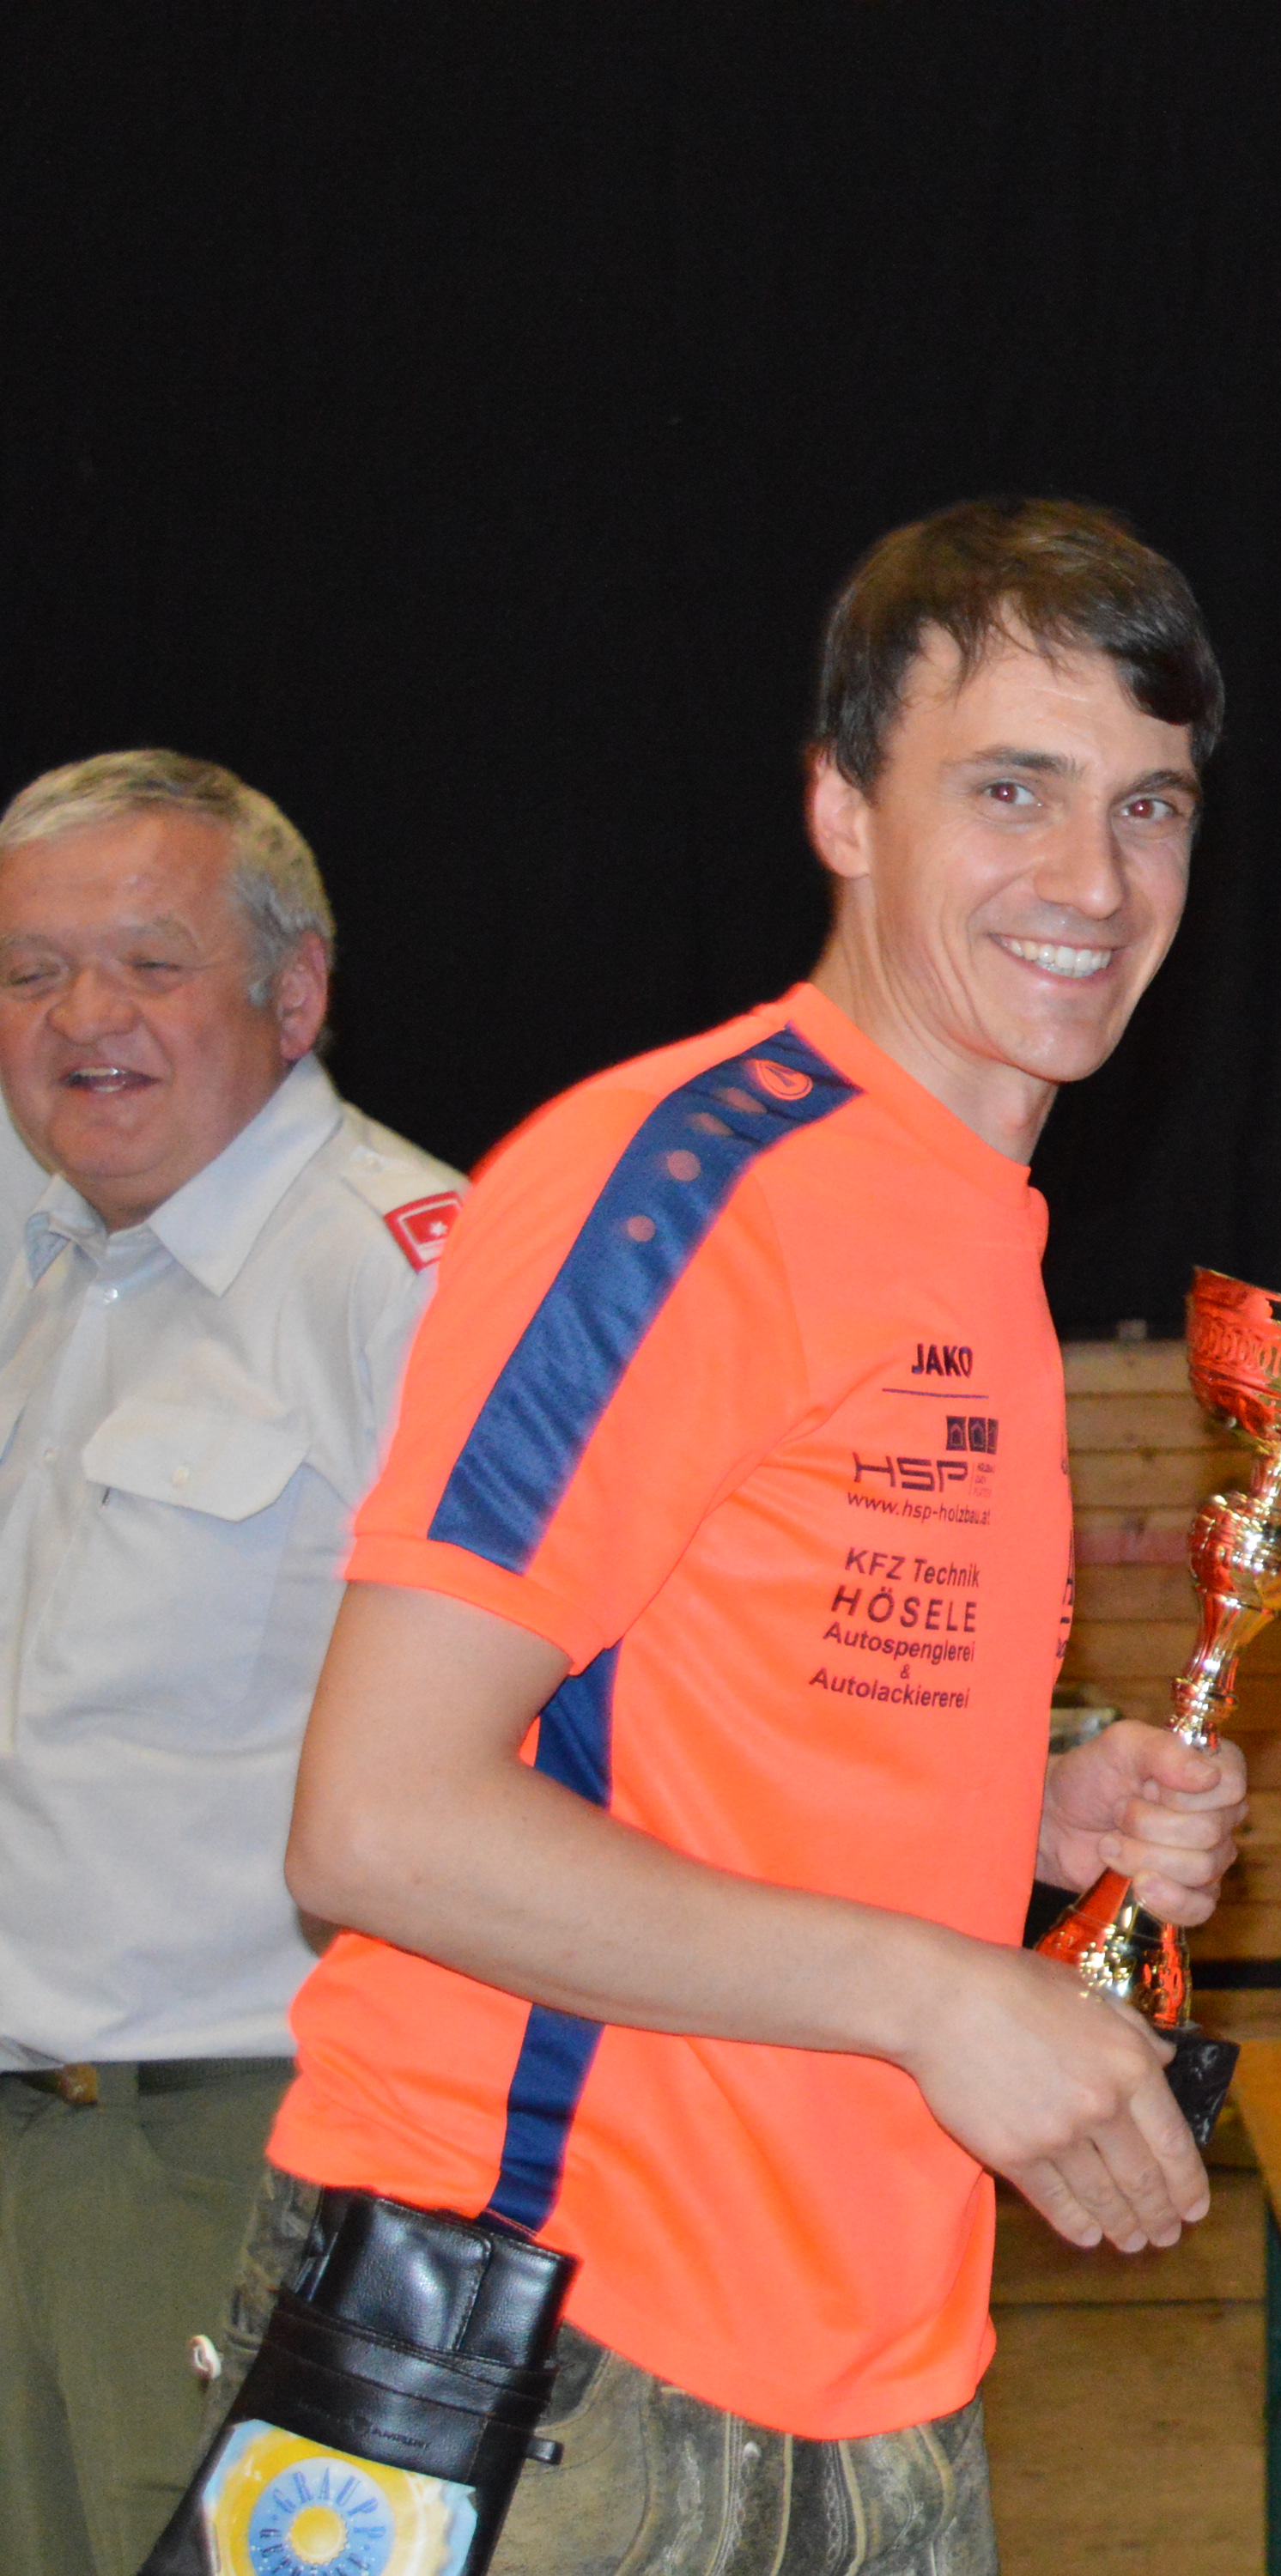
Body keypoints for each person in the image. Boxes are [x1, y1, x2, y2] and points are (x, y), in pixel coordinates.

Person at [252, 498, 1253, 2570]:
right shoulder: (680, 1187)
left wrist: (1023, 1813)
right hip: (545, 2359)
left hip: (858, 2362)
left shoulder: (967, 1222)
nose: (1093, 879)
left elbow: (696, 1717)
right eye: (1011, 790)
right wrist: (944, 1995)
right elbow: (377, 1820)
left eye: (1146, 805)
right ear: (842, 810)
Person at [0, 752, 461, 2576]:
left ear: (297, 991)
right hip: (43, 2152)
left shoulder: (402, 1282)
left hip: (250, 2154)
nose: (82, 1019)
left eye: (148, 963)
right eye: (32, 973)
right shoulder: (53, 1258)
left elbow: (552, 1740)